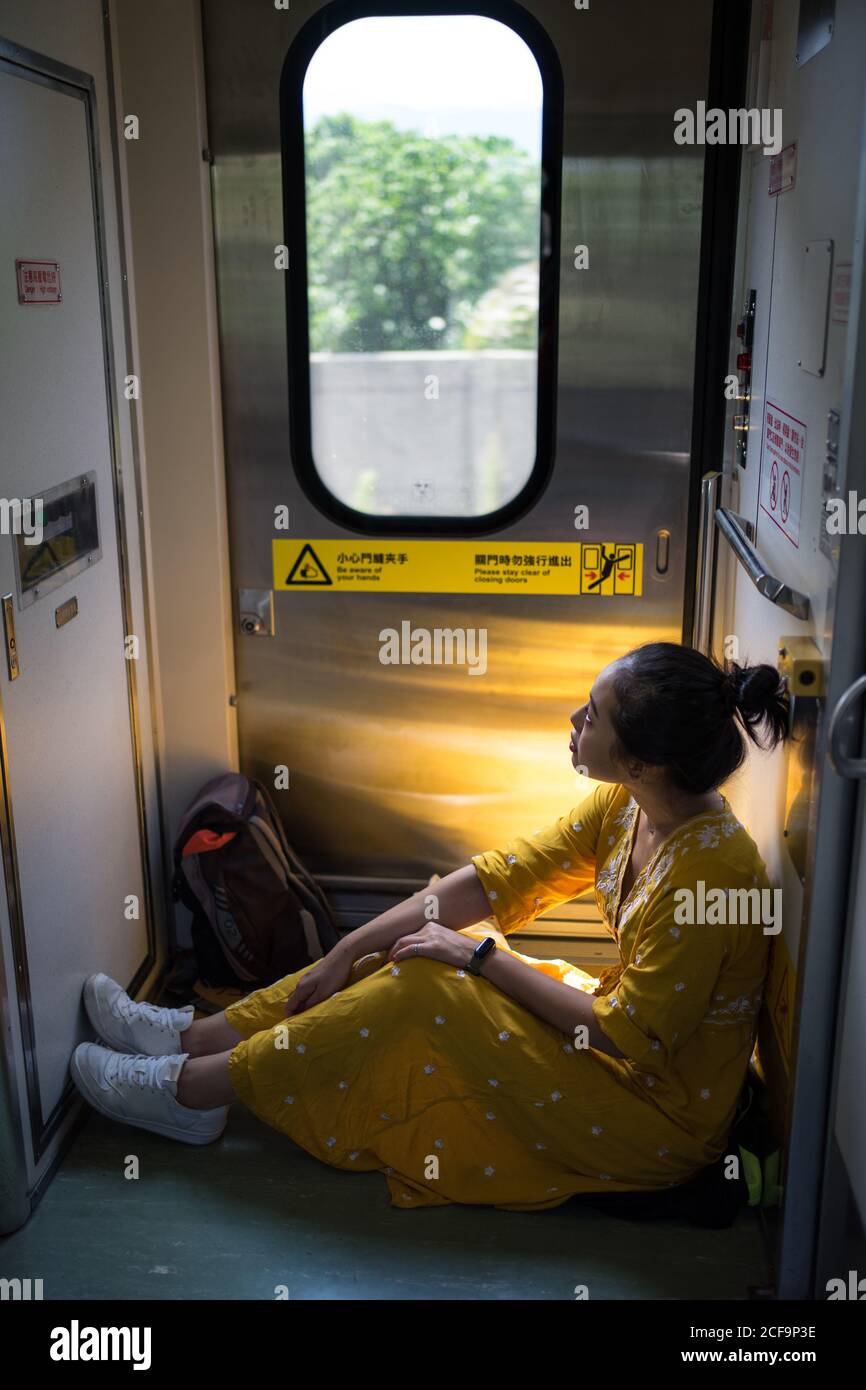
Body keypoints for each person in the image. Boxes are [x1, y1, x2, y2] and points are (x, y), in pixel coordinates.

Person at [70, 641, 790, 1211]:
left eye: (593, 716)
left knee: (428, 982)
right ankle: (195, 1039)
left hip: (655, 1113)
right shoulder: (632, 808)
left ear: (641, 761)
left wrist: (475, 958)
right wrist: (349, 948)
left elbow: (625, 1033)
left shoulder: (713, 877)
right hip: (617, 1044)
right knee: (410, 948)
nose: (574, 722)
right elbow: (496, 878)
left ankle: (191, 1094)